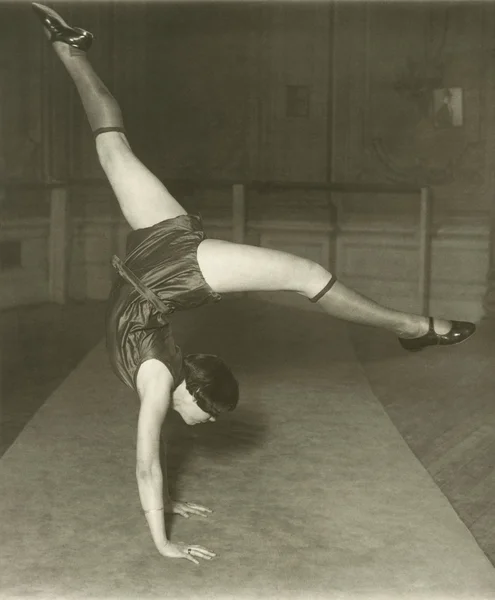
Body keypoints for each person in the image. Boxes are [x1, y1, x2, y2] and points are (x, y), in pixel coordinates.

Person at [32, 2, 476, 565]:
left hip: (156, 257)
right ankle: (412, 325)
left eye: (209, 418)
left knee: (111, 144)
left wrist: (167, 516)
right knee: (306, 275)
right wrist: (163, 531)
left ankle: (68, 49)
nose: (201, 425)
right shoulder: (161, 377)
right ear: (189, 393)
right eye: (207, 416)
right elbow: (150, 460)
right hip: (173, 266)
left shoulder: (162, 378)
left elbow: (149, 460)